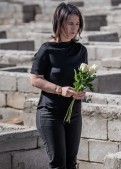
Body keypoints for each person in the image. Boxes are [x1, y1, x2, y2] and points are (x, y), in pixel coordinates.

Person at [30, 2, 87, 169]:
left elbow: (81, 79)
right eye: (70, 23)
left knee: (71, 163)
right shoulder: (46, 49)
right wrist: (59, 90)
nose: (74, 28)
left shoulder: (81, 50)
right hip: (50, 114)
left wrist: (81, 91)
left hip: (74, 114)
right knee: (58, 164)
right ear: (59, 22)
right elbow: (34, 79)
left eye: (77, 24)